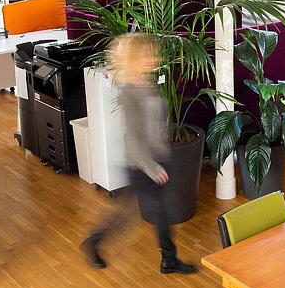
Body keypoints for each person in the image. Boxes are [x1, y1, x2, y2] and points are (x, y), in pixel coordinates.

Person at [81, 34, 198, 275]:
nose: (153, 58)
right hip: (141, 163)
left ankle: (96, 241)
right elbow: (132, 137)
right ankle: (168, 259)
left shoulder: (148, 83)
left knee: (134, 212)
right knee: (150, 213)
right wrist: (151, 167)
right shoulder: (128, 92)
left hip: (155, 159)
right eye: (147, 54)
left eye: (153, 53)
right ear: (134, 58)